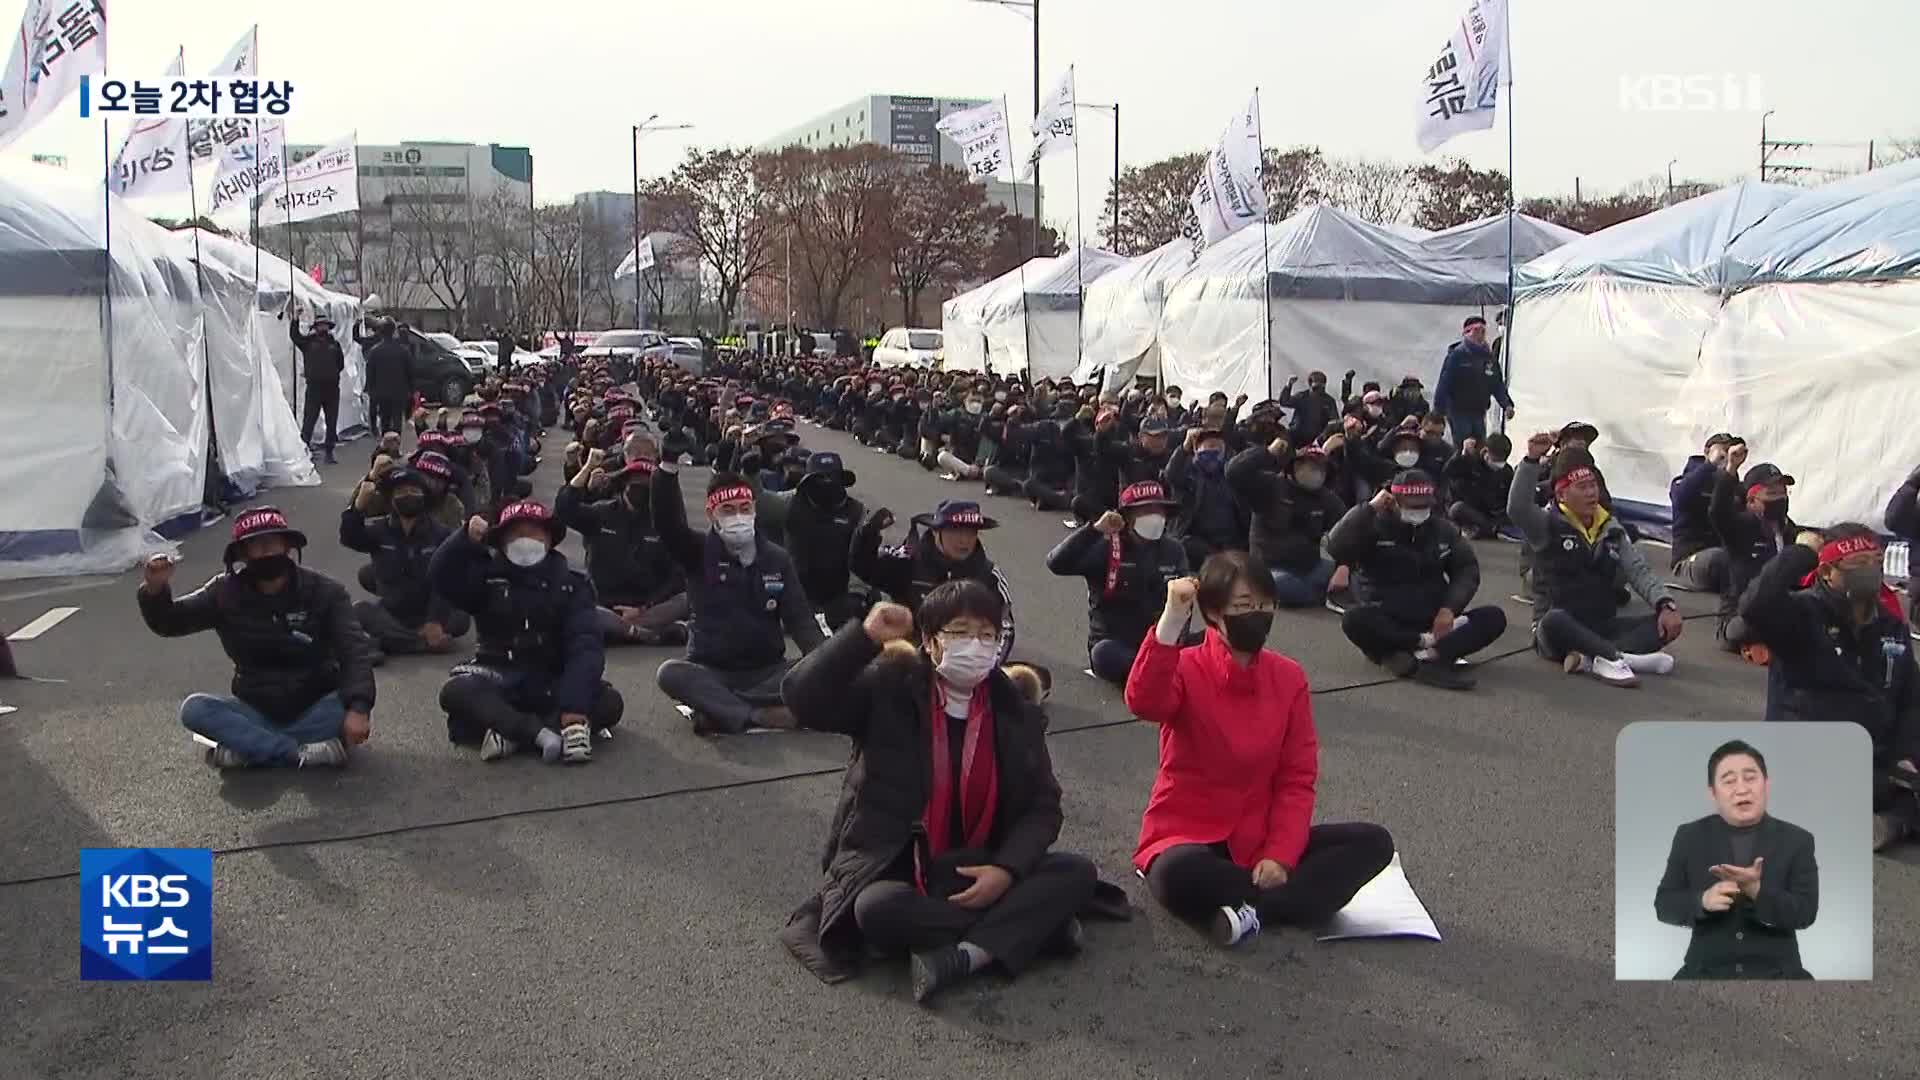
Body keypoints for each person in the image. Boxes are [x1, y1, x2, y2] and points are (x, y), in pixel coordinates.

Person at [777, 585, 1098, 1003]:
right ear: (929, 642)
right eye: (960, 633)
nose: (977, 647)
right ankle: (1031, 928)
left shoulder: (1015, 708)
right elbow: (803, 699)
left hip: (986, 865)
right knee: (874, 909)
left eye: (988, 635)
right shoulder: (891, 690)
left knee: (1078, 872)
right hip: (902, 865)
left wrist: (1006, 871)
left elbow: (1043, 807)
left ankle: (965, 956)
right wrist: (865, 636)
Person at [1124, 556, 1395, 947]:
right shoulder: (1184, 666)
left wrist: (1280, 855)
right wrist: (1170, 621)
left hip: (1259, 838)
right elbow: (1144, 701)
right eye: (1244, 606)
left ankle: (1253, 910)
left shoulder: (1289, 677)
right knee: (1176, 875)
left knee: (1374, 843)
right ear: (1215, 612)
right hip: (1188, 833)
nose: (1258, 614)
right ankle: (1284, 904)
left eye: (1266, 605)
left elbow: (1297, 778)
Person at [137, 507, 373, 769]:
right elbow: (170, 622)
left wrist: (359, 708)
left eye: (271, 543)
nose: (265, 552)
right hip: (255, 710)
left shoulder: (326, 591)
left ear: (287, 546)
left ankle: (248, 749)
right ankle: (297, 753)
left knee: (346, 704)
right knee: (194, 710)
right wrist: (155, 590)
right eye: (256, 546)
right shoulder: (223, 592)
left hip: (317, 706)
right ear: (242, 554)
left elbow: (354, 650)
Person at [1738, 524, 1920, 851]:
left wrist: (1906, 754)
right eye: (1859, 564)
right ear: (1826, 571)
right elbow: (1755, 605)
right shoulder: (1801, 614)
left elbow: (1910, 700)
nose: (1871, 571)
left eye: (1876, 561)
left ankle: (1890, 819)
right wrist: (1802, 552)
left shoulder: (1891, 626)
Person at [431, 501, 624, 764]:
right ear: (502, 541)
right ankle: (538, 734)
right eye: (517, 534)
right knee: (455, 691)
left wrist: (574, 706)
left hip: (551, 682)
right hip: (498, 677)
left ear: (550, 540)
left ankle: (510, 733)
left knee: (609, 702)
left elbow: (585, 645)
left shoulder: (572, 585)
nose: (526, 540)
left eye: (534, 533)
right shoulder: (486, 579)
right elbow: (440, 576)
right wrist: (462, 538)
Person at [651, 469, 826, 735]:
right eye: (728, 510)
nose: (739, 517)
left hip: (769, 672)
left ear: (754, 510)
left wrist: (826, 664)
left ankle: (718, 710)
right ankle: (755, 715)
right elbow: (668, 525)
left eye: (745, 509)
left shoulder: (777, 559)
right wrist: (666, 471)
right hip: (710, 670)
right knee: (670, 674)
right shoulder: (698, 552)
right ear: (712, 515)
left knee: (822, 670)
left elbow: (801, 621)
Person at [1509, 438, 1683, 687]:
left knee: (1662, 625)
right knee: (1553, 620)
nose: (1592, 493)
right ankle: (1616, 658)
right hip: (1558, 629)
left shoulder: (1611, 528)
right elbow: (1517, 508)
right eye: (1582, 487)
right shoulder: (1546, 524)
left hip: (1601, 626)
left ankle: (1591, 658)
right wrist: (1531, 460)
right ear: (1562, 494)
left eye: (1593, 486)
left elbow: (1638, 569)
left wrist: (1666, 604)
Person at [1326, 471, 1507, 689]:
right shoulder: (1372, 525)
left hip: (1433, 621)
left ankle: (1420, 655)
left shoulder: (1443, 530)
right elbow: (1335, 545)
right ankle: (1417, 649)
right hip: (1387, 618)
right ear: (1392, 499)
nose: (1417, 511)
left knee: (1493, 617)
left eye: (1422, 505)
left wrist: (1449, 608)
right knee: (1354, 619)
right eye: (1411, 505)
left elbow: (1467, 570)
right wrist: (1369, 508)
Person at [1654, 740, 1818, 980]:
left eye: (1750, 778)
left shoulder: (1798, 840)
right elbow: (1664, 904)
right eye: (1729, 781)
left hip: (1780, 973)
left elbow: (1806, 913)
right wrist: (1702, 900)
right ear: (1713, 792)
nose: (1742, 789)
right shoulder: (1689, 836)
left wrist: (1756, 891)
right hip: (1704, 972)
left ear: (1766, 784)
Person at [1046, 481, 1191, 687]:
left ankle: (1163, 672)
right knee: (1104, 654)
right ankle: (1162, 674)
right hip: (1119, 644)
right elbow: (1056, 563)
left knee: (1213, 640)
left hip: (1163, 640)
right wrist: (1093, 530)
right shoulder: (1106, 547)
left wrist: (1176, 642)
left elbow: (1186, 604)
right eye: (1146, 510)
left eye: (1159, 510)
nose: (1155, 516)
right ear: (1128, 517)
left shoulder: (1174, 550)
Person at [852, 500, 1017, 665]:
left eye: (971, 532)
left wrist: (989, 666)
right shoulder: (908, 562)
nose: (964, 540)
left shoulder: (989, 576)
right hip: (909, 660)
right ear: (936, 532)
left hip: (967, 661)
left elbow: (1005, 627)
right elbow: (863, 567)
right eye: (956, 531)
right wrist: (867, 534)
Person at [556, 450, 690, 647]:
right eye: (635, 481)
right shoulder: (601, 512)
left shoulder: (663, 522)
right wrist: (587, 467)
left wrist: (644, 607)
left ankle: (620, 630)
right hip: (603, 603)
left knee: (686, 599)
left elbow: (678, 577)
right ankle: (648, 635)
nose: (640, 487)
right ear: (623, 483)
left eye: (647, 483)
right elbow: (564, 509)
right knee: (575, 607)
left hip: (647, 606)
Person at [339, 465, 469, 660]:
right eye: (401, 492)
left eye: (413, 491)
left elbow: (446, 582)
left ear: (423, 496)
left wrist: (434, 621)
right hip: (393, 613)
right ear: (391, 499)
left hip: (430, 611)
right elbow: (349, 537)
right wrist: (357, 508)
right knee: (359, 611)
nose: (408, 495)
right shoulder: (380, 530)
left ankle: (390, 642)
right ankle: (420, 643)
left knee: (462, 618)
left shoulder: (441, 534)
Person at [759, 451, 872, 630]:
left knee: (870, 603)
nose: (827, 483)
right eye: (820, 479)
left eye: (832, 477)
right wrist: (742, 465)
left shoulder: (857, 511)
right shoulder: (790, 502)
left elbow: (864, 560)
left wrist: (857, 593)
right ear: (807, 481)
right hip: (796, 594)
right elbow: (756, 501)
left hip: (840, 595)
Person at [1226, 438, 1344, 608]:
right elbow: (1234, 473)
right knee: (1281, 586)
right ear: (1294, 466)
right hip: (1271, 568)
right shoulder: (1271, 486)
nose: (1314, 471)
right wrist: (1267, 453)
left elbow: (1347, 529)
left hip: (1310, 567)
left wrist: (1343, 566)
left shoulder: (1326, 498)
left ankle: (1320, 593)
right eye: (1308, 465)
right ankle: (1320, 595)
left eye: (1319, 468)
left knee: (1348, 577)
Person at [1711, 459, 1799, 659]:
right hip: (1739, 616)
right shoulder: (1740, 528)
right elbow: (1718, 513)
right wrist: (1731, 469)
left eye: (1783, 493)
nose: (1780, 498)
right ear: (1751, 501)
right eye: (1772, 494)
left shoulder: (1790, 532)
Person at [1162, 424, 1248, 567]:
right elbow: (1171, 474)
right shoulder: (1188, 474)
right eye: (1208, 446)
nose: (1212, 450)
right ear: (1196, 450)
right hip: (1197, 543)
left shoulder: (1234, 474)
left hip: (1232, 544)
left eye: (1217, 447)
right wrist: (1184, 447)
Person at [1668, 433, 1739, 593]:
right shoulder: (1683, 482)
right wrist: (1710, 464)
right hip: (1689, 560)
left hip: (1723, 553)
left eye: (1730, 450)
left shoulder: (1733, 486)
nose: (1726, 455)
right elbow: (1680, 497)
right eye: (1723, 449)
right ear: (1707, 451)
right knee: (1721, 559)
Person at [1432, 315, 1515, 446]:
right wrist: (1438, 411)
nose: (1480, 335)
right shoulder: (1457, 355)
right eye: (1476, 330)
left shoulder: (1489, 358)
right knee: (1464, 445)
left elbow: (1497, 384)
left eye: (1483, 331)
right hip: (1458, 410)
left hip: (1479, 410)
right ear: (1466, 333)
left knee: (1480, 446)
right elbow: (1444, 383)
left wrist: (1507, 404)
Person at [290, 311, 345, 464]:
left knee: (331, 420)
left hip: (332, 388)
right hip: (314, 387)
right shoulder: (308, 342)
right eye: (320, 325)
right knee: (309, 420)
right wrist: (295, 319)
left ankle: (329, 451)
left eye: (325, 325)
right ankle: (304, 450)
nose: (323, 327)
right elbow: (295, 337)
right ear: (316, 327)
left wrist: (331, 373)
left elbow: (340, 364)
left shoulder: (335, 344)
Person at [1444, 433, 1514, 539]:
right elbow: (1448, 472)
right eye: (1495, 459)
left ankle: (1488, 530)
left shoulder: (1507, 471)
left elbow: (1510, 497)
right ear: (1486, 451)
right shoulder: (1471, 462)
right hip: (1473, 510)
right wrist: (1463, 455)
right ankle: (1491, 530)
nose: (1498, 463)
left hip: (1494, 514)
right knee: (1457, 508)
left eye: (1501, 460)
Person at [356, 316, 414, 438]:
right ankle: (395, 444)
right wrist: (410, 390)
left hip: (381, 392)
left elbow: (370, 373)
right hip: (399, 391)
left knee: (385, 420)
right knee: (397, 419)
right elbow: (410, 372)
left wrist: (370, 390)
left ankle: (386, 443)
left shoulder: (374, 351)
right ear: (394, 331)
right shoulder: (403, 350)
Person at [1278, 371, 1338, 447]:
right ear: (1310, 384)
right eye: (1316, 388)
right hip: (1297, 438)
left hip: (1318, 440)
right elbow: (1284, 402)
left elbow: (1334, 421)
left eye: (1322, 388)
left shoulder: (1329, 401)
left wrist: (1323, 437)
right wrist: (1288, 385)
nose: (1319, 391)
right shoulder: (1301, 397)